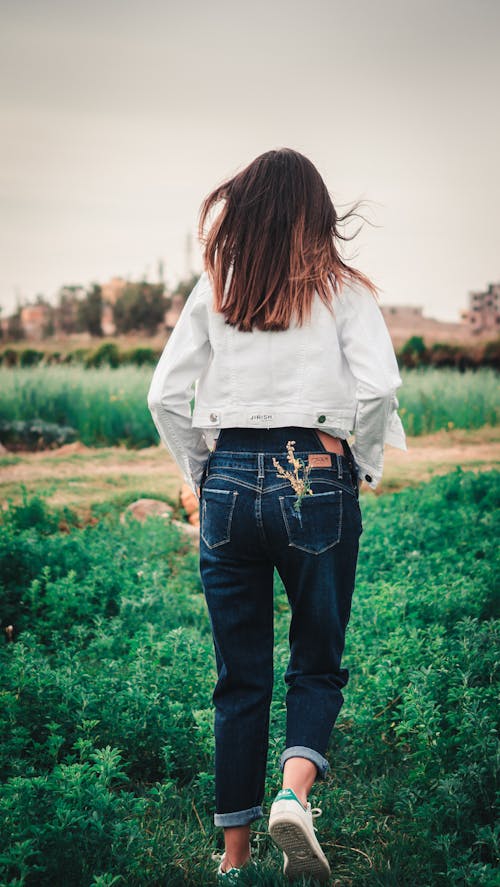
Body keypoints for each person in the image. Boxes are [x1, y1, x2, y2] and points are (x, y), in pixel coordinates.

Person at [147, 147, 407, 883]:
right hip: (316, 474)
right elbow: (380, 386)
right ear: (316, 214)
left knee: (240, 673)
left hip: (227, 474)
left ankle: (232, 857)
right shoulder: (344, 289)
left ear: (244, 211)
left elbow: (163, 396)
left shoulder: (216, 291)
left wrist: (201, 471)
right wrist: (363, 463)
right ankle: (292, 795)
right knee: (316, 658)